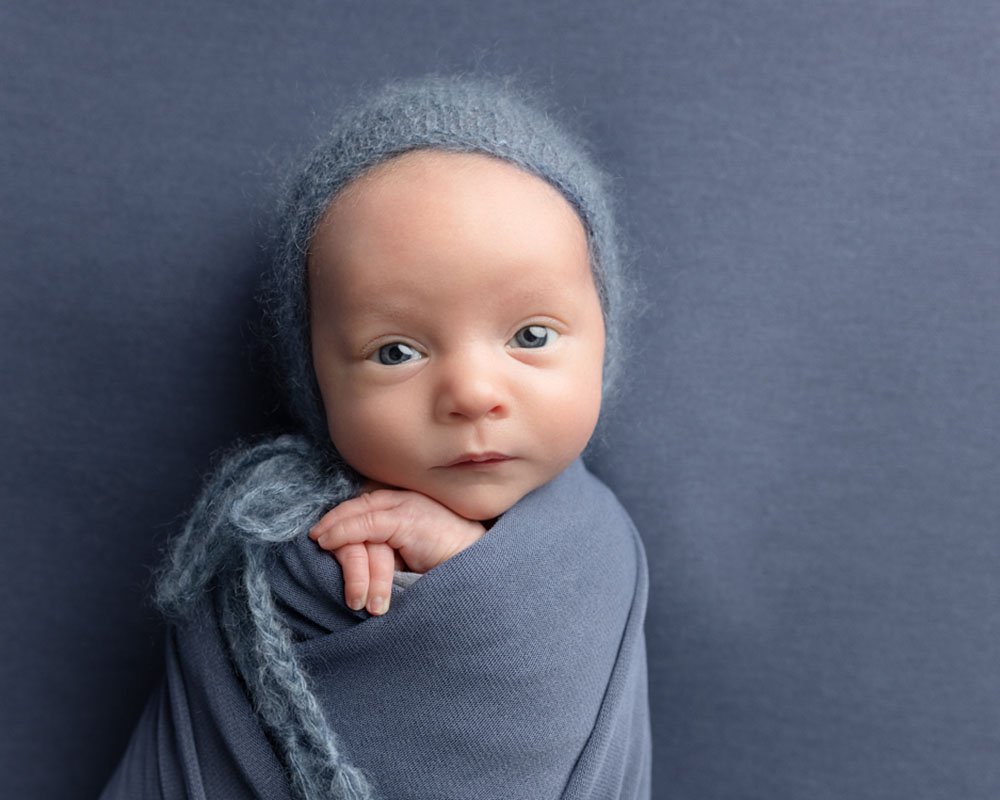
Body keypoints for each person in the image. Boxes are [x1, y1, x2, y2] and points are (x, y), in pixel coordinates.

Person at [101, 75, 650, 800]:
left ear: (603, 340)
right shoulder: (279, 554)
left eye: (531, 335)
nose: (473, 394)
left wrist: (472, 576)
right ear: (316, 377)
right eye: (397, 352)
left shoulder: (600, 546)